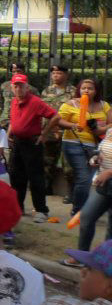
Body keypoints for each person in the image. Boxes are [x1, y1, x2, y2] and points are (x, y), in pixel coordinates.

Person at [7, 73, 60, 221]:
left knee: (36, 177)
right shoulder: (14, 101)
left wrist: (44, 134)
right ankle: (18, 207)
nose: (18, 89)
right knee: (16, 176)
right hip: (17, 142)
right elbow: (13, 120)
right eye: (15, 86)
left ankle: (41, 210)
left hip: (32, 143)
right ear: (12, 87)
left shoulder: (36, 102)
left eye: (21, 86)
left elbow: (55, 116)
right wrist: (9, 132)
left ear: (27, 87)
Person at [56, 78, 109, 214]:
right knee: (83, 177)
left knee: (88, 179)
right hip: (74, 142)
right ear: (79, 90)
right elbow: (58, 120)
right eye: (83, 88)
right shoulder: (71, 104)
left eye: (90, 88)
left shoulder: (104, 106)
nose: (86, 90)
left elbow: (111, 123)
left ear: (96, 91)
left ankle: (85, 208)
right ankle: (79, 211)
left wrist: (101, 129)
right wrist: (73, 125)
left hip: (95, 146)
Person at [65, 126, 112, 266]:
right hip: (104, 184)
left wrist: (109, 173)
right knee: (86, 217)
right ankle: (82, 257)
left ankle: (105, 264)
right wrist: (96, 158)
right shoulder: (110, 130)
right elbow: (102, 150)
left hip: (107, 178)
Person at [42, 65, 76, 200]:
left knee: (68, 163)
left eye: (59, 73)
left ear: (66, 75)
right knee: (47, 161)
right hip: (50, 131)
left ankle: (70, 192)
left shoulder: (73, 92)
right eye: (54, 73)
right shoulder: (46, 91)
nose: (56, 75)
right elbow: (43, 111)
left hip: (67, 132)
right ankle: (47, 186)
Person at [0, 61, 37, 128]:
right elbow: (0, 103)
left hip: (21, 123)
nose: (16, 73)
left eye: (18, 71)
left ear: (23, 72)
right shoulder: (4, 86)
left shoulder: (31, 89)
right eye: (14, 72)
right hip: (4, 122)